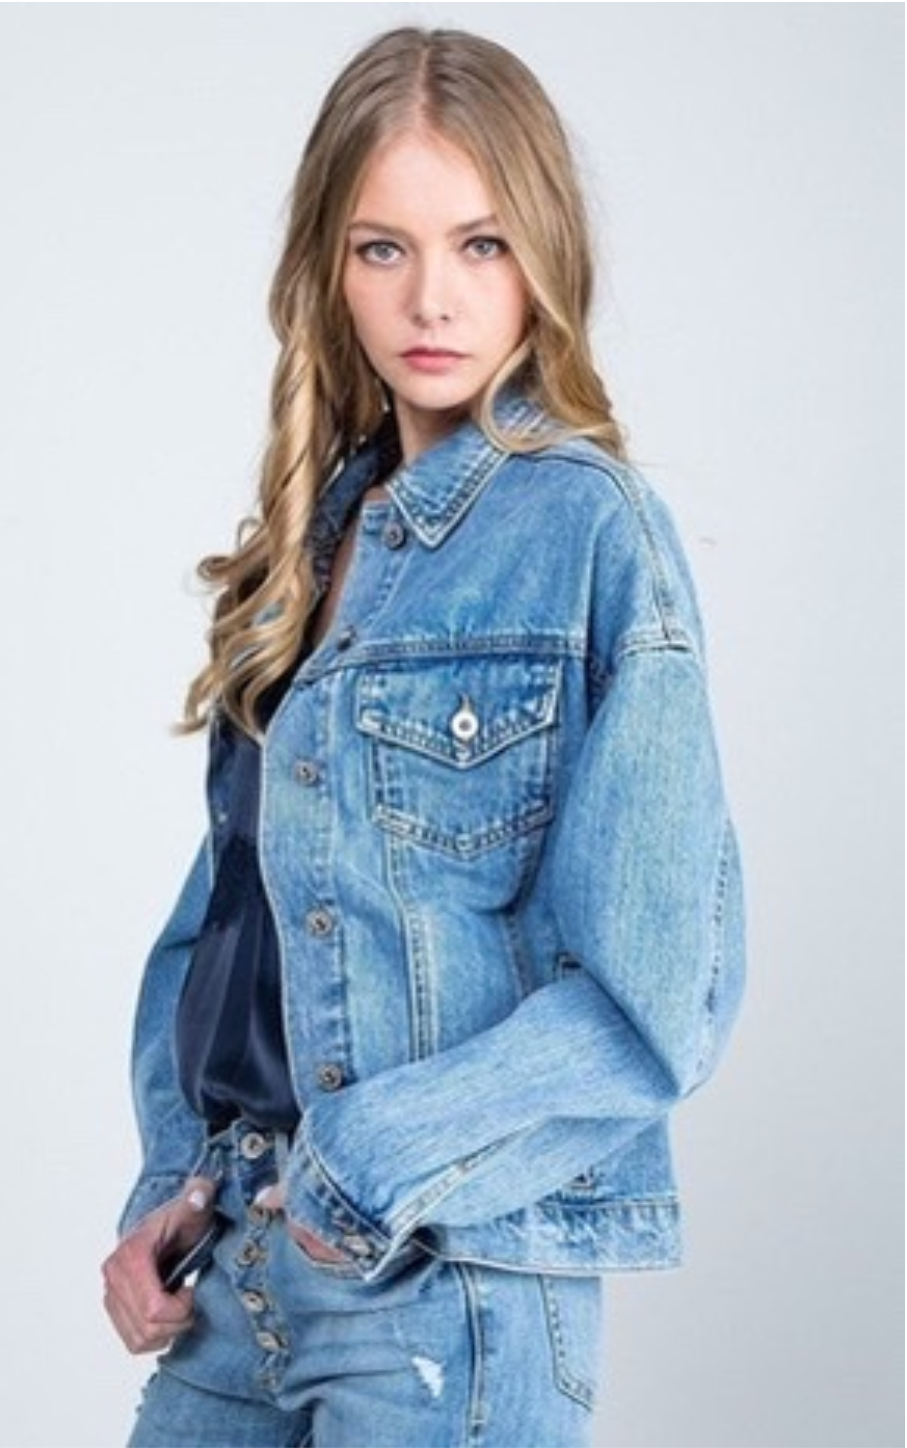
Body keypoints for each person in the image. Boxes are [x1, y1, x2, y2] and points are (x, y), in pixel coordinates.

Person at [102, 25, 745, 1448]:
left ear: (544, 259)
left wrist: (372, 1162)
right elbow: (232, 923)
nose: (431, 298)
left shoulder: (589, 531)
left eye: (481, 244)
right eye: (382, 249)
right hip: (244, 1266)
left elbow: (662, 997)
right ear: (327, 272)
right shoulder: (306, 551)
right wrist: (171, 1182)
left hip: (445, 1284)